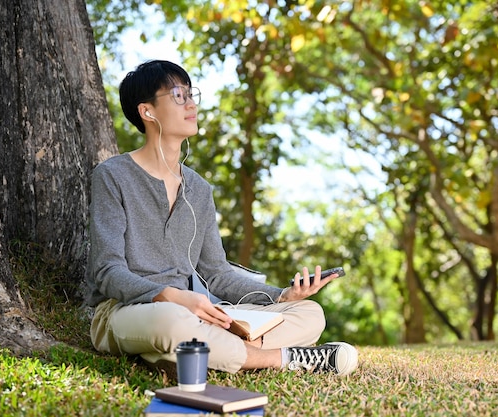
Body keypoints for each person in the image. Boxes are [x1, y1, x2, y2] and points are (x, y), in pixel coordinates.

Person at [84, 60, 358, 377]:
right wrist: (172, 297)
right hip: (131, 312)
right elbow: (107, 271)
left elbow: (217, 275)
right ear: (148, 112)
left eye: (191, 94)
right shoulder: (112, 175)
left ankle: (182, 354)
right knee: (171, 321)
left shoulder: (198, 189)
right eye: (178, 95)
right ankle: (279, 359)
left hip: (203, 314)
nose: (191, 104)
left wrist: (282, 296)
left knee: (310, 313)